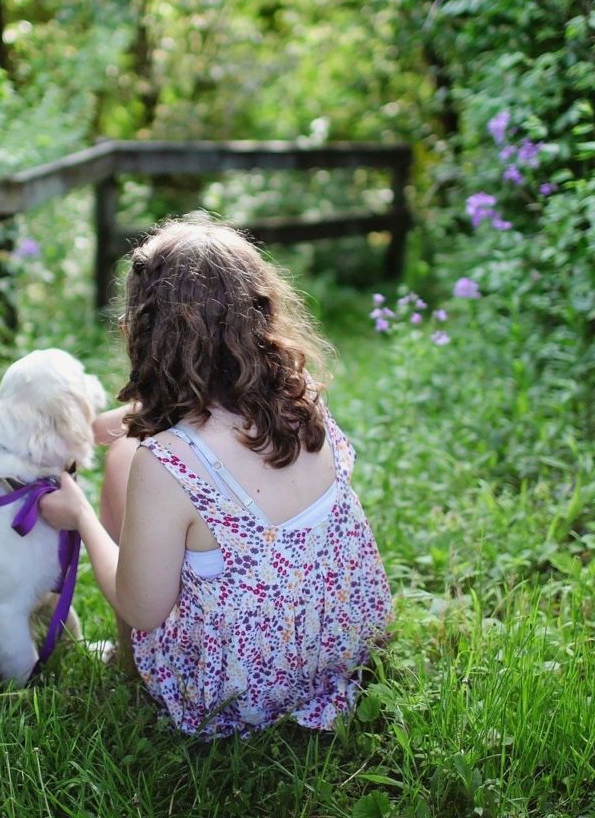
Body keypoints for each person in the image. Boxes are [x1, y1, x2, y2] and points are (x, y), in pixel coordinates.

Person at [40, 215, 393, 737]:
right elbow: (203, 426)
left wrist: (83, 519)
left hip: (236, 690)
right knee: (125, 449)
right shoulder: (302, 399)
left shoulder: (165, 463)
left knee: (121, 460)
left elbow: (143, 608)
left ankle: (129, 663)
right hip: (341, 648)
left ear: (147, 331)